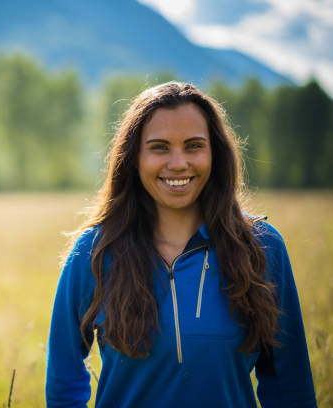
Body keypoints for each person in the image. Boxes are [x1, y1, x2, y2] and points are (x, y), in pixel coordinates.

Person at [45, 82, 317, 407]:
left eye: (193, 146)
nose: (177, 163)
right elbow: (63, 378)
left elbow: (290, 386)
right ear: (133, 157)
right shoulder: (94, 252)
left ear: (214, 154)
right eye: (159, 147)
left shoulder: (263, 247)